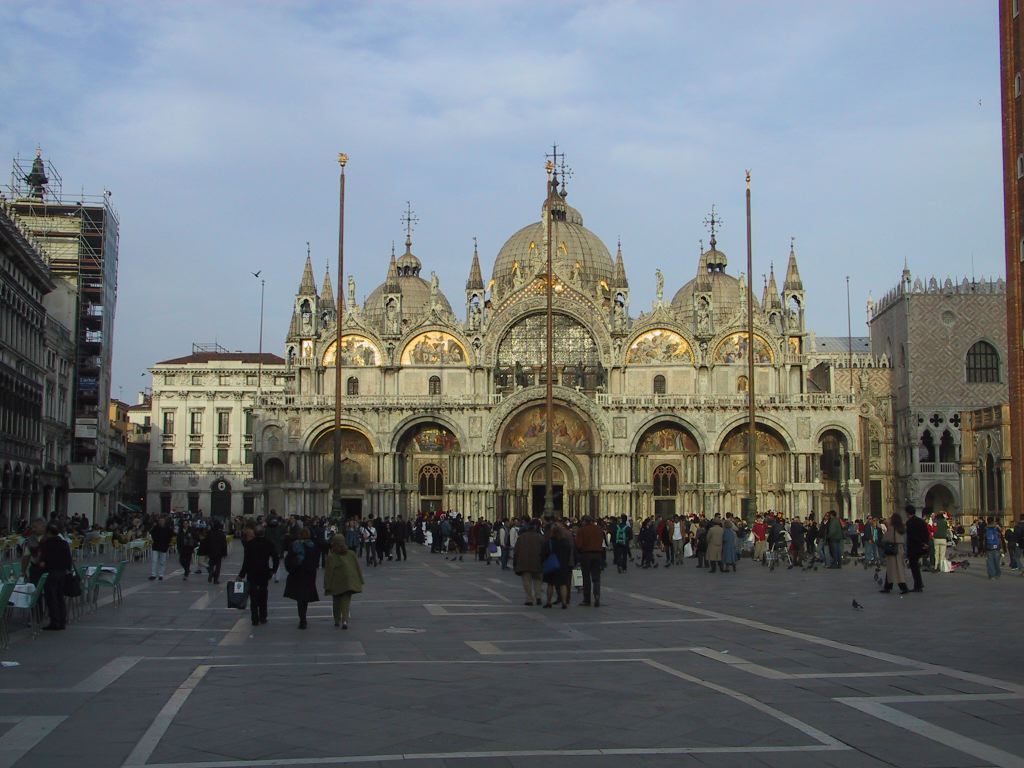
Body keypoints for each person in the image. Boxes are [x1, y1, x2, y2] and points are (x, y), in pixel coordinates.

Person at [237, 525, 279, 626]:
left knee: (253, 596)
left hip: (252, 572)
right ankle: (263, 616)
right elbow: (276, 558)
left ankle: (254, 618)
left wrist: (241, 575)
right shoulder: (269, 543)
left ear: (255, 533)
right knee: (263, 594)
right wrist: (273, 570)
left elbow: (246, 561)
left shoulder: (249, 544)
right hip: (264, 572)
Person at [323, 535, 364, 629]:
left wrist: (327, 585)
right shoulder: (351, 553)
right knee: (346, 602)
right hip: (348, 582)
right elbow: (357, 567)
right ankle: (345, 620)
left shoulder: (332, 556)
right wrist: (360, 579)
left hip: (336, 582)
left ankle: (337, 620)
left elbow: (329, 572)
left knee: (336, 601)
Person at [284, 528, 320, 629]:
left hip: (298, 573)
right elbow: (316, 559)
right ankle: (303, 617)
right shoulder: (313, 545)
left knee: (300, 597)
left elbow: (288, 559)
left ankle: (302, 619)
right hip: (309, 574)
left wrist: (290, 570)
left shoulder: (295, 545)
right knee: (305, 597)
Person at [39, 524, 72, 631]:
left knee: (51, 597)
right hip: (62, 572)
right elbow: (69, 559)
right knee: (60, 596)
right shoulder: (64, 543)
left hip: (51, 572)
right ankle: (62, 620)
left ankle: (55, 621)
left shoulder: (46, 544)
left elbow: (42, 560)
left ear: (48, 532)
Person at [574, 516, 604, 607]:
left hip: (586, 555)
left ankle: (587, 599)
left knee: (586, 577)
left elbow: (578, 545)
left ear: (584, 521)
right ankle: (597, 596)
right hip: (598, 554)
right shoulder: (599, 529)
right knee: (596, 578)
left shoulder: (582, 530)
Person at [513, 520, 544, 606]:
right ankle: (538, 597)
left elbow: (516, 551)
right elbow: (545, 550)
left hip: (524, 563)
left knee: (527, 581)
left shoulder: (521, 537)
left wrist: (515, 562)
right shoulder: (540, 537)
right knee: (538, 580)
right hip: (538, 562)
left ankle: (529, 598)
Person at [542, 524, 573, 609]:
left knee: (550, 584)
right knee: (563, 584)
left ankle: (549, 602)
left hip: (552, 565)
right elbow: (569, 553)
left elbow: (544, 553)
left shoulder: (549, 542)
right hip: (562, 565)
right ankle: (564, 602)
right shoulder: (565, 542)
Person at [880, 511, 909, 594]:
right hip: (900, 549)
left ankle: (901, 587)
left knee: (891, 570)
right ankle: (890, 586)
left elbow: (886, 538)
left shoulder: (892, 528)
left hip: (893, 550)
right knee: (898, 569)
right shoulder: (902, 528)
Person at [904, 505, 928, 592]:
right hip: (921, 547)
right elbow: (926, 533)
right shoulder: (921, 521)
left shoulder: (909, 522)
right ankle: (919, 584)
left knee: (914, 567)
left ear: (907, 513)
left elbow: (911, 536)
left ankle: (918, 585)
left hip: (913, 547)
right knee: (916, 567)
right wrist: (925, 543)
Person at [149, 516, 173, 581]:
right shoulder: (156, 528)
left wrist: (169, 544)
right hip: (155, 546)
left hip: (164, 547)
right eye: (160, 521)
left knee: (162, 561)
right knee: (154, 560)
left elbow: (171, 536)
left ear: (164, 522)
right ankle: (153, 574)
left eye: (162, 521)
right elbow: (151, 533)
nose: (161, 522)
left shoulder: (168, 529)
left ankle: (161, 574)